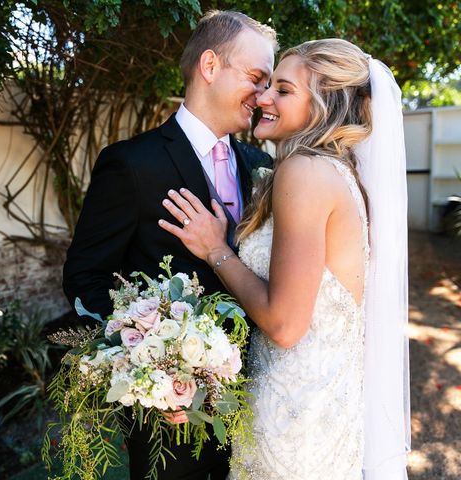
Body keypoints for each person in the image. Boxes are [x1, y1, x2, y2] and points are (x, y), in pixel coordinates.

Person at [159, 39, 411, 479]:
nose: (264, 98)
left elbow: (285, 324)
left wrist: (216, 250)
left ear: (323, 106)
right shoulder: (341, 173)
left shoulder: (305, 173)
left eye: (284, 90)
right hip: (324, 412)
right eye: (267, 85)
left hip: (293, 420)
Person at [63, 10, 277, 480]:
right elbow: (85, 278)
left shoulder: (261, 164)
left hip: (259, 398)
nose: (264, 96)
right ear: (209, 66)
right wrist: (151, 371)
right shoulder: (131, 164)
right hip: (172, 416)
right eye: (258, 78)